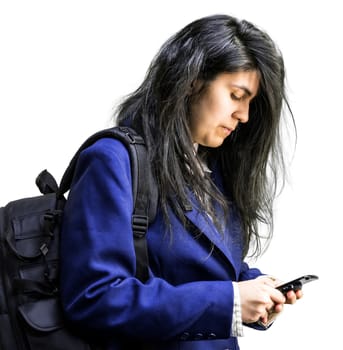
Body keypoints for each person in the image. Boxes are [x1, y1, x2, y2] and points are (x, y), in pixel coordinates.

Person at [60, 14, 301, 350]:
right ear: (191, 81)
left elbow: (190, 265)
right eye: (235, 95)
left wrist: (254, 287)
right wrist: (229, 301)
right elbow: (95, 296)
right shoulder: (113, 160)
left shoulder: (213, 167)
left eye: (250, 102)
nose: (244, 115)